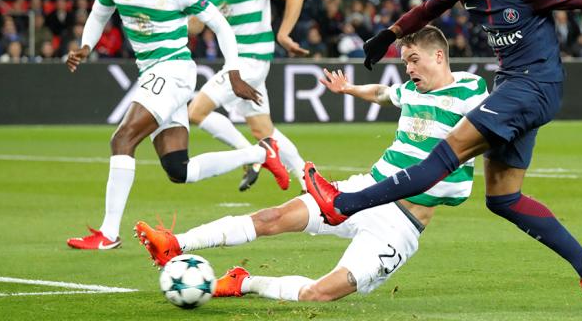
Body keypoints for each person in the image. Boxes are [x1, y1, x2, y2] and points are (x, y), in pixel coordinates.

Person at [304, 0, 582, 317]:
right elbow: (427, 10)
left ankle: (342, 204)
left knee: (443, 155)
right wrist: (387, 35)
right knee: (504, 199)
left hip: (533, 87)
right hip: (512, 84)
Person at [135, 26, 489, 301]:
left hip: (402, 225)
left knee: (319, 293)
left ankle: (244, 282)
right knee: (272, 217)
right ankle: (175, 243)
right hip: (366, 188)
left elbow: (499, 123)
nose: (407, 67)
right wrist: (349, 89)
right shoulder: (411, 89)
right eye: (405, 61)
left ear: (439, 56)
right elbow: (383, 93)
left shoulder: (471, 90)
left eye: (414, 60)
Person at [65, 0, 289, 251]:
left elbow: (221, 25)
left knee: (123, 139)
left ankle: (108, 234)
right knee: (178, 170)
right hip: (152, 73)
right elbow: (100, 15)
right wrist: (86, 45)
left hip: (174, 71)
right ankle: (261, 152)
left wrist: (234, 72)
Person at [187, 0, 309, 192]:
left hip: (250, 61)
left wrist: (283, 34)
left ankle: (254, 157)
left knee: (196, 111)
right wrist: (173, 21)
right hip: (238, 64)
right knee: (264, 130)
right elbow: (196, 25)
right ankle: (307, 178)